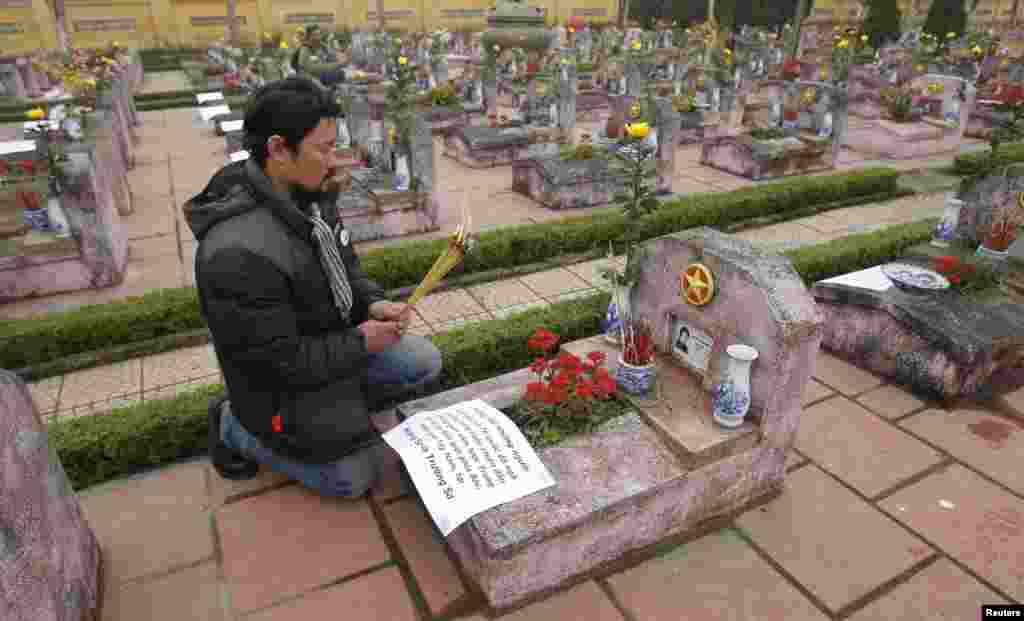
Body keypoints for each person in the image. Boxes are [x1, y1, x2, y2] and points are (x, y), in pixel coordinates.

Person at [184, 77, 442, 498]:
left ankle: (342, 408)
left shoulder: (310, 193)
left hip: (328, 348)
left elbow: (346, 268)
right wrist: (360, 344)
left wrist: (373, 303)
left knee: (423, 361)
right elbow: (280, 362)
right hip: (276, 390)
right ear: (279, 149)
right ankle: (234, 426)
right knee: (354, 476)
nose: (334, 159)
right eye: (323, 148)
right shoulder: (238, 253)